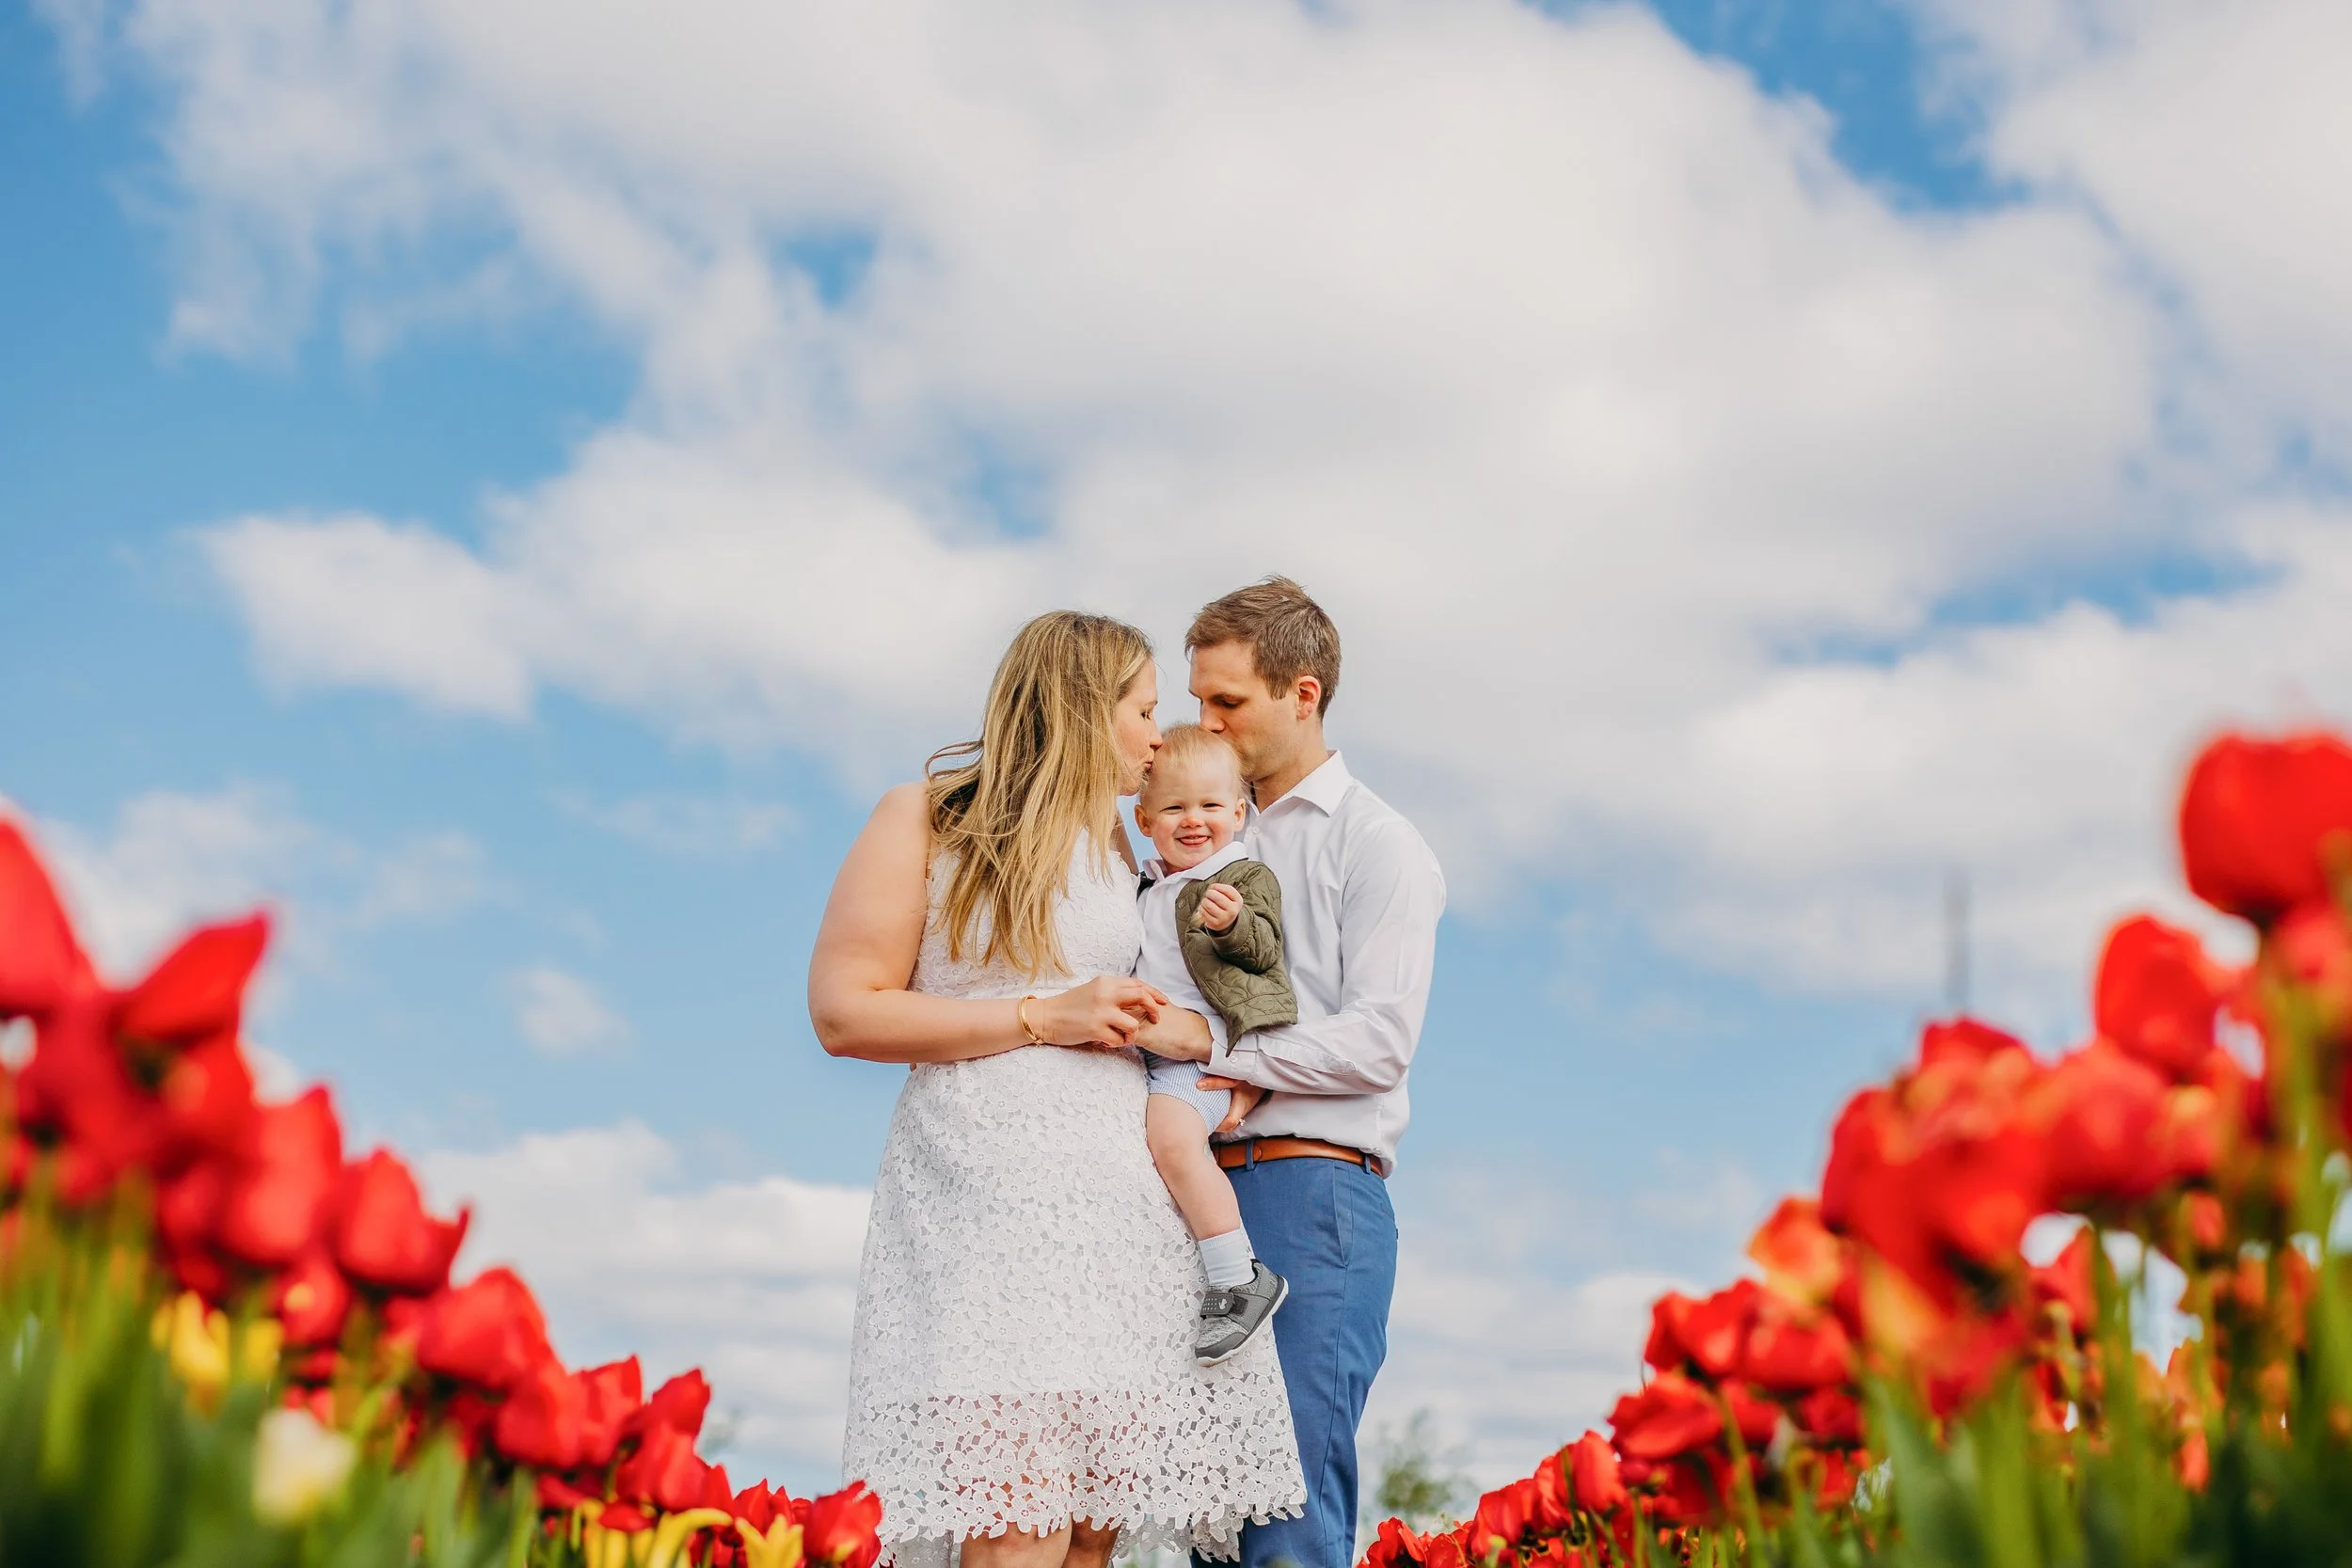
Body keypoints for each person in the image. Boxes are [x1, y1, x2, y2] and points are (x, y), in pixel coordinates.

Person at [811, 610, 1305, 1568]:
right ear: (1082, 709)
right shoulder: (926, 815)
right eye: (1144, 709)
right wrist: (1041, 1014)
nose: (1159, 736)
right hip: (984, 1194)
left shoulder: (1127, 849)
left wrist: (1184, 1033)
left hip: (1122, 1202)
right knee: (1015, 1515)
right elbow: (843, 1011)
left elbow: (1178, 1003)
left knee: (1094, 1522)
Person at [1168, 578, 1448, 1568]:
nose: (1200, 722)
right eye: (1197, 698)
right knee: (1199, 1528)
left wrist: (1229, 1061)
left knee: (1285, 1526)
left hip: (1309, 1185)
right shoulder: (1194, 829)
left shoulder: (1378, 844)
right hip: (1188, 1195)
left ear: (1304, 692)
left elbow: (1379, 1037)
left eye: (1227, 702)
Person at [1130, 723, 1297, 1366]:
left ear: (1238, 811)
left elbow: (1264, 950)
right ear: (1145, 818)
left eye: (1208, 805)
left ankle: (1238, 1274)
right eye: (1173, 807)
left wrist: (1232, 926)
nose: (1192, 820)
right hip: (1146, 1050)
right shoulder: (1146, 883)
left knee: (1171, 1138)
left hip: (1202, 1050)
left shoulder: (1240, 874)